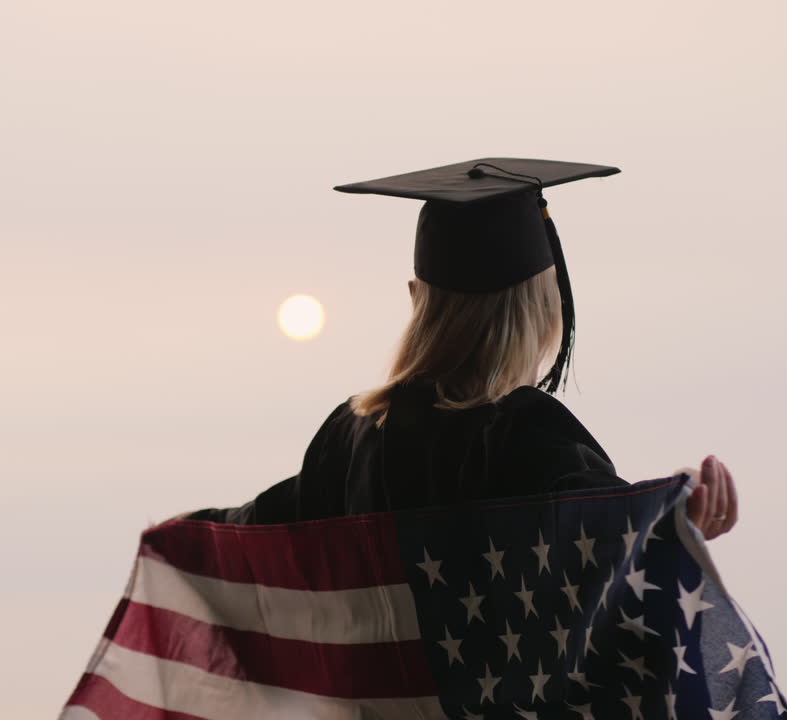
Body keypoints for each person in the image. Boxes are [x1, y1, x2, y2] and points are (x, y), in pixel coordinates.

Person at [186, 157, 737, 540]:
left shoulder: (349, 438)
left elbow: (255, 528)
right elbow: (605, 541)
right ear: (547, 310)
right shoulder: (528, 435)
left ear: (416, 300)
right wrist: (672, 514)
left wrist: (180, 534)